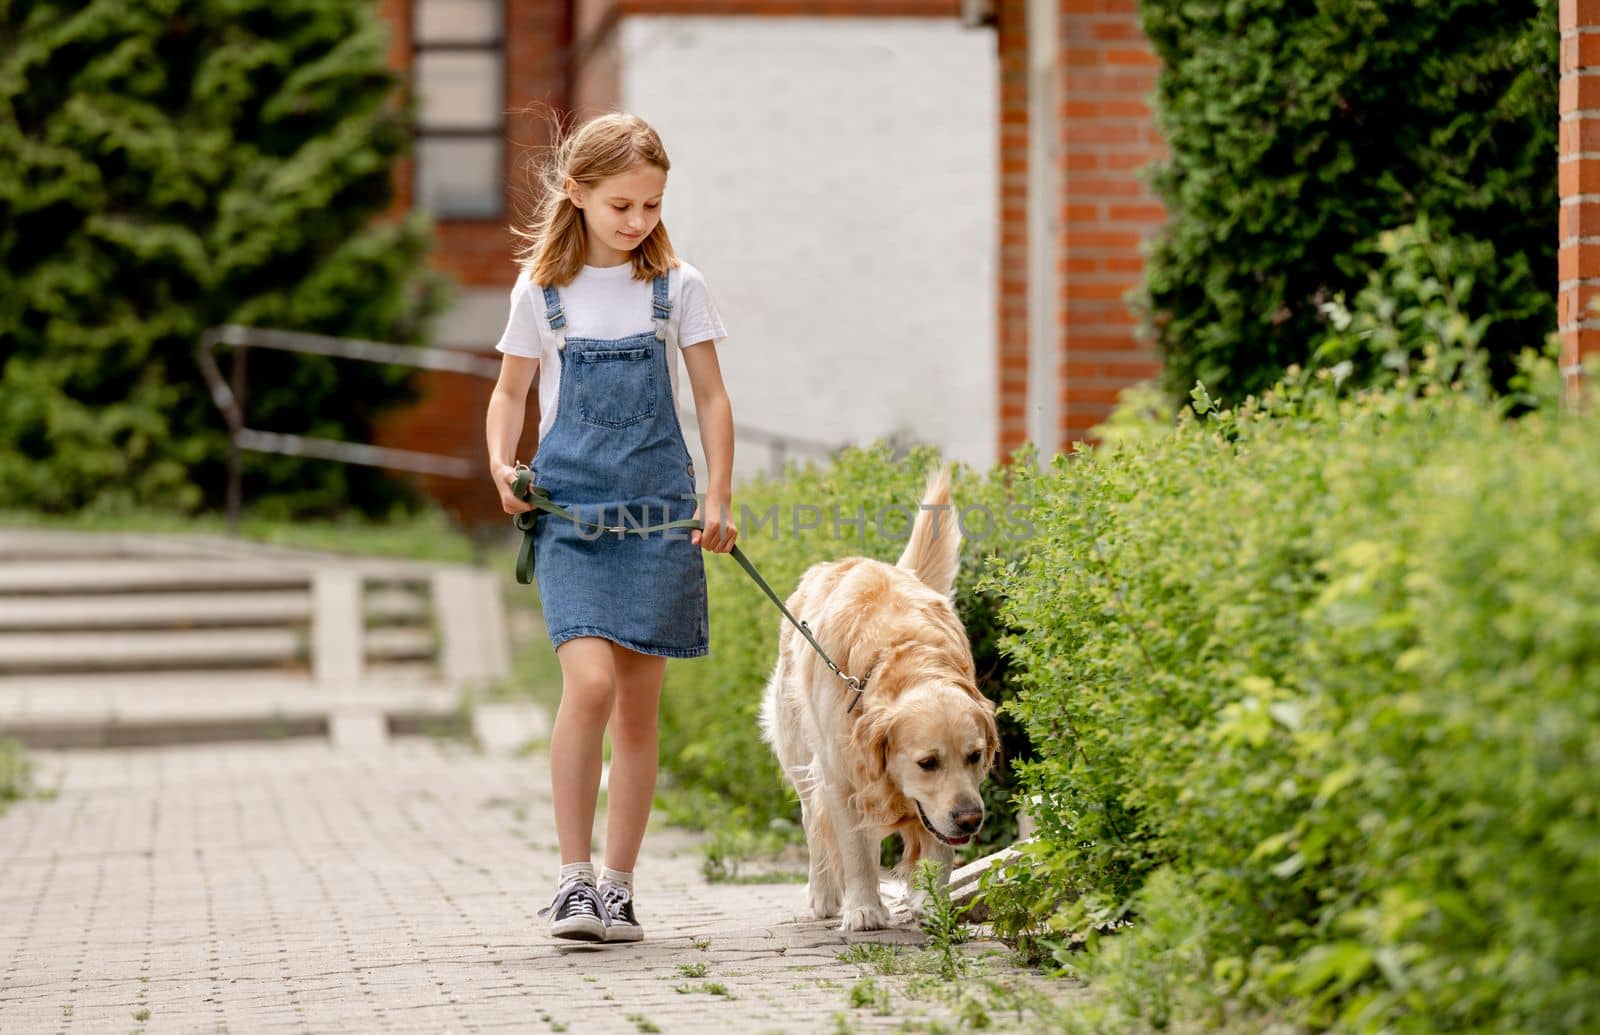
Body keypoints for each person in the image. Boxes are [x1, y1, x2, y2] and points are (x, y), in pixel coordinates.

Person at [484, 112, 739, 944]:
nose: (638, 222)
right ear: (577, 193)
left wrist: (720, 498)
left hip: (658, 516)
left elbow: (710, 399)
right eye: (622, 205)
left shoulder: (677, 287)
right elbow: (510, 393)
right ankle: (572, 879)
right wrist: (501, 464)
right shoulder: (541, 291)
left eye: (653, 206)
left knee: (637, 711)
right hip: (570, 520)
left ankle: (620, 886)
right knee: (587, 683)